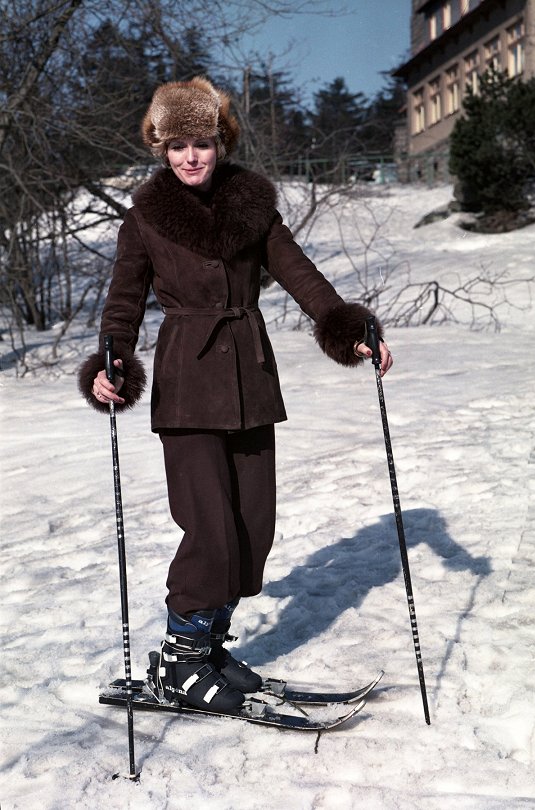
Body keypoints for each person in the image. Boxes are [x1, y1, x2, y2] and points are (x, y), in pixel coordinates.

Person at [78, 76, 393, 713]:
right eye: (176, 145)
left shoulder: (252, 206)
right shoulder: (145, 219)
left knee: (253, 526)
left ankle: (207, 646)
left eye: (201, 142)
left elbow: (301, 273)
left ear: (220, 142)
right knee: (211, 528)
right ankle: (183, 658)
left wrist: (347, 326)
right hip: (187, 382)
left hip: (250, 378)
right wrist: (112, 359)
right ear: (160, 148)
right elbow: (124, 301)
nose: (190, 156)